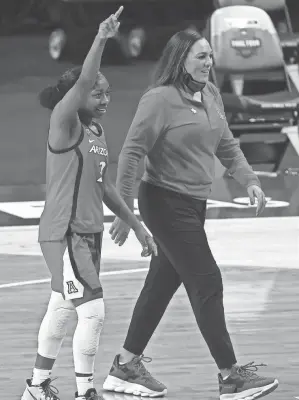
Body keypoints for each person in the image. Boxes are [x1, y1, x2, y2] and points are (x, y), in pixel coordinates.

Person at [102, 29, 279, 400]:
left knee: (162, 284)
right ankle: (230, 377)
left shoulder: (210, 94)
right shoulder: (159, 100)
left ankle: (125, 366)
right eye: (201, 56)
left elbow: (227, 144)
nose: (208, 62)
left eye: (211, 56)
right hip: (164, 201)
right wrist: (125, 209)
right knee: (207, 281)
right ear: (180, 58)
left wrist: (249, 180)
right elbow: (133, 153)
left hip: (192, 204)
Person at [21, 6, 157, 400]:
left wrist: (137, 225)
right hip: (65, 233)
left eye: (108, 92)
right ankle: (86, 392)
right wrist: (101, 39)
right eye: (97, 92)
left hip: (86, 234)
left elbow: (105, 188)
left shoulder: (95, 132)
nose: (104, 98)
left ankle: (37, 387)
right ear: (76, 95)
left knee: (62, 309)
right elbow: (81, 83)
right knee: (92, 312)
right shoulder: (64, 122)